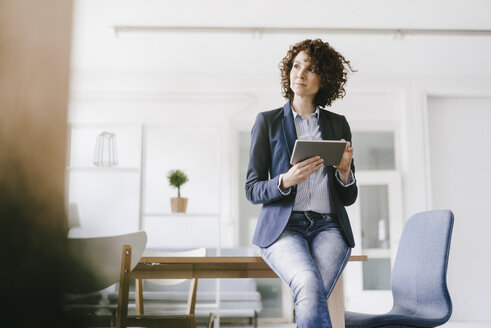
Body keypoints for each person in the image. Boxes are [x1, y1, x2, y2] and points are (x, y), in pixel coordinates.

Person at [245, 39, 357, 327]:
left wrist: (344, 171)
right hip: (284, 227)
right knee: (309, 284)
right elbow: (252, 188)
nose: (300, 74)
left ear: (325, 79)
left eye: (311, 69)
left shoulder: (338, 124)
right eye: (296, 66)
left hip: (329, 226)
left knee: (311, 292)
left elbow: (348, 196)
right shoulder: (267, 122)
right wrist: (285, 180)